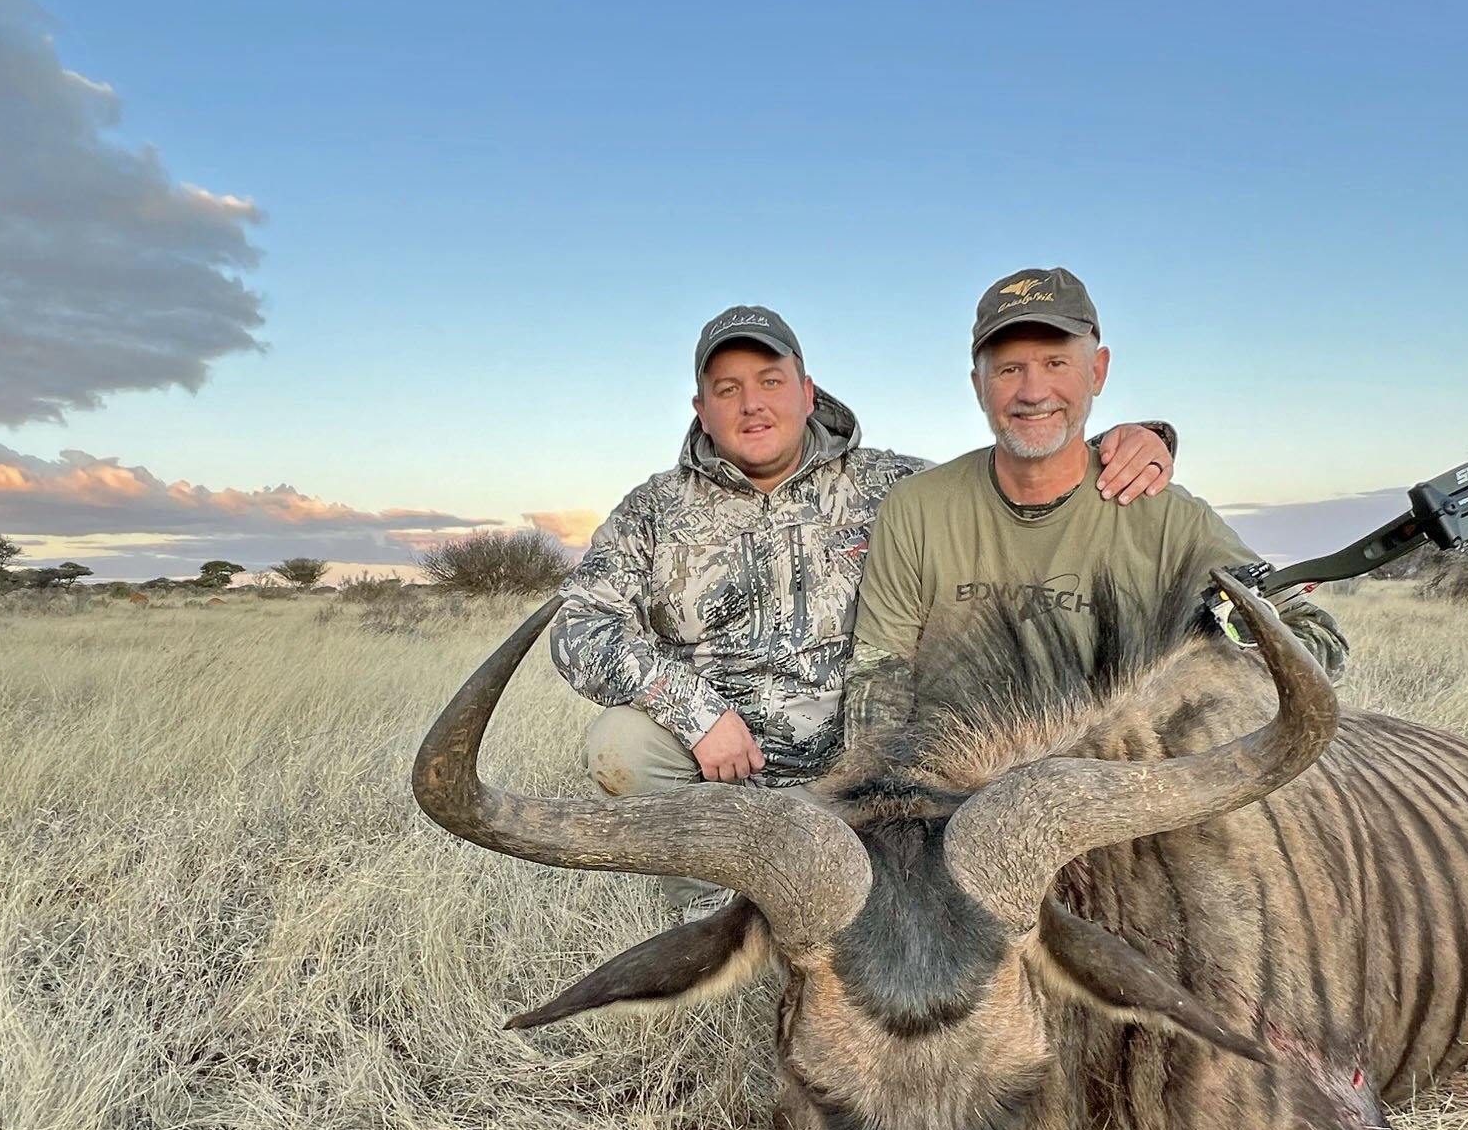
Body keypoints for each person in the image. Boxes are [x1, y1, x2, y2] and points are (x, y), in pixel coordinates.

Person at [550, 304, 1179, 917]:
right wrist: (695, 712)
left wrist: (1133, 443)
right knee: (620, 746)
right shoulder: (655, 509)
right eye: (728, 388)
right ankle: (720, 916)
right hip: (727, 768)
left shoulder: (896, 485)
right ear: (701, 408)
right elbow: (578, 625)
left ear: (806, 391)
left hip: (883, 761)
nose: (752, 404)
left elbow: (1021, 483)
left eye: (771, 382)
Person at [844, 267, 1347, 750]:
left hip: (1118, 801)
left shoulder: (1166, 517)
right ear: (979, 385)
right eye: (1009, 369)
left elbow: (1315, 639)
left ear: (1098, 371)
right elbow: (877, 688)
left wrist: (1183, 684)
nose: (1033, 391)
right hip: (951, 800)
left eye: (1056, 363)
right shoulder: (916, 507)